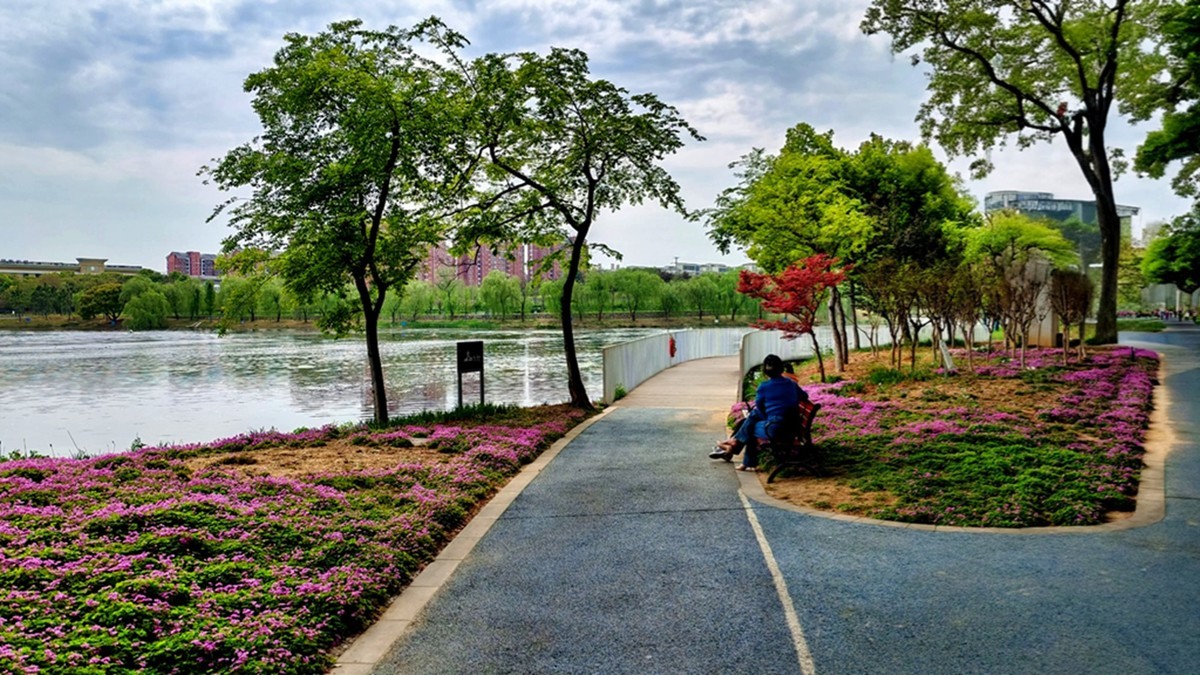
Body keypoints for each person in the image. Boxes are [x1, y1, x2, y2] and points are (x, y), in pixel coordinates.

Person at [710, 354, 804, 471]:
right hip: (791, 426)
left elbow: (760, 407)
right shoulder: (791, 383)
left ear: (765, 371)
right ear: (781, 368)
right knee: (752, 418)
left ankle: (735, 446)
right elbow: (804, 396)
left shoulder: (764, 386)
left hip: (776, 429)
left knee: (752, 424)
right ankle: (739, 454)